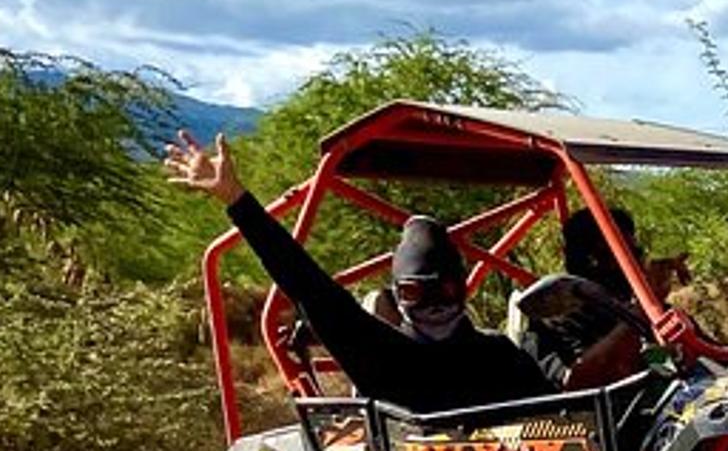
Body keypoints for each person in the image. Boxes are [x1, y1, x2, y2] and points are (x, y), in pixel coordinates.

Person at [162, 130, 548, 412]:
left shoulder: (501, 357)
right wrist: (237, 200)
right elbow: (308, 286)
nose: (433, 305)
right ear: (398, 296)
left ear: (462, 290)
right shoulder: (383, 355)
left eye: (444, 290)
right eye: (416, 292)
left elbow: (565, 420)